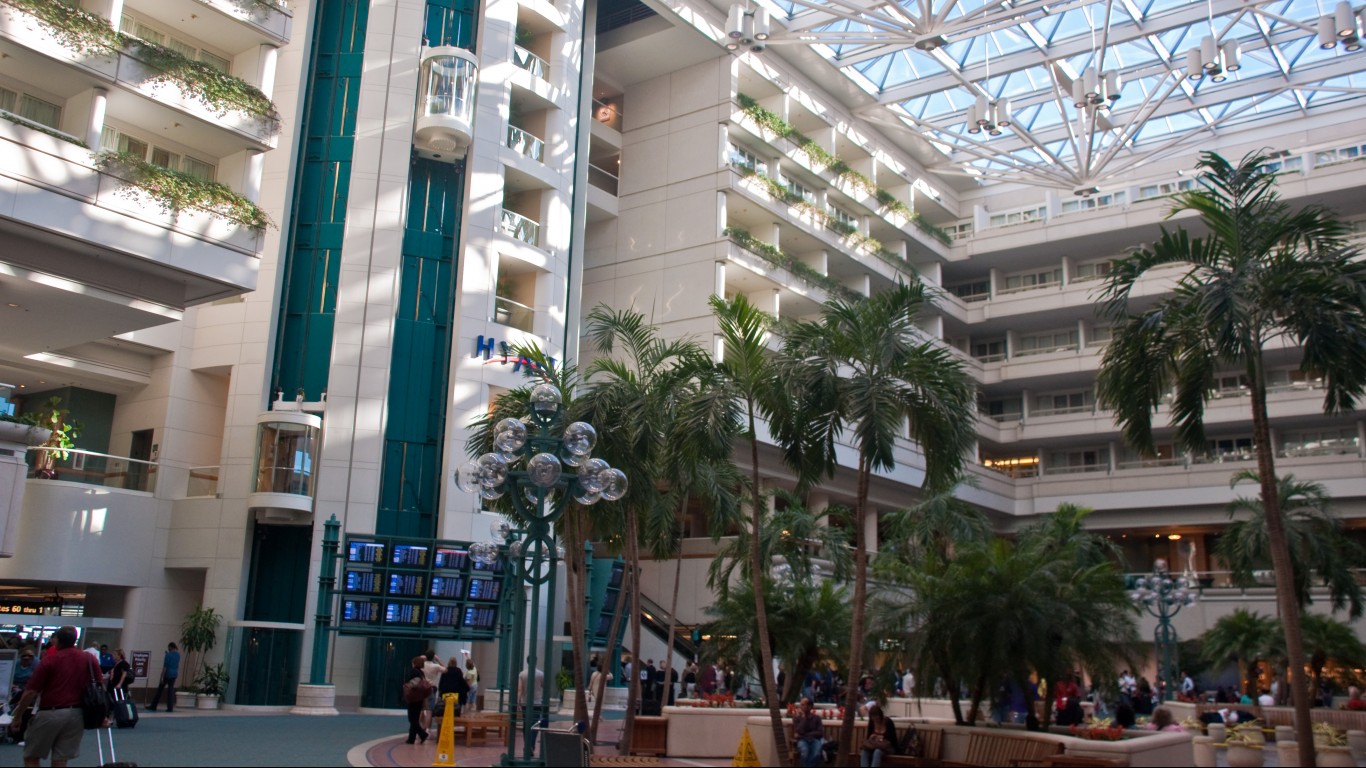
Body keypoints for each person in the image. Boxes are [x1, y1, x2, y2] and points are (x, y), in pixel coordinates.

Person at [8, 626, 105, 767]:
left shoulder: (50, 660)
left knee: (31, 755)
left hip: (50, 712)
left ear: (57, 640)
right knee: (60, 758)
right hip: (77, 715)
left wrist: (18, 716)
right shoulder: (89, 659)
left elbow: (31, 692)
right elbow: (100, 685)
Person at [860, 702, 899, 767]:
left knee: (877, 752)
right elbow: (868, 738)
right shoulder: (872, 723)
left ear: (880, 716)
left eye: (876, 717)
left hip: (887, 748)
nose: (875, 720)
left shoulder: (888, 722)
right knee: (864, 752)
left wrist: (882, 738)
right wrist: (871, 737)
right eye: (873, 718)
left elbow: (893, 739)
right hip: (874, 746)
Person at [403, 655, 429, 745]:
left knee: (412, 719)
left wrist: (407, 686)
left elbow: (413, 683)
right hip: (419, 698)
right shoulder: (421, 673)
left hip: (413, 698)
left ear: (414, 663)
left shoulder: (414, 672)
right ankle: (411, 738)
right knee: (415, 719)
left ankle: (422, 734)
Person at [147, 641, 180, 712]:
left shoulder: (168, 655)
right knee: (170, 690)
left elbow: (165, 666)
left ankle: (153, 705)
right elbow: (176, 664)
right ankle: (170, 707)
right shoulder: (178, 655)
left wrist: (161, 676)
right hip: (174, 673)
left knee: (160, 690)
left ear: (170, 647)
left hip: (167, 674)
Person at [793, 697, 825, 768]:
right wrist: (804, 718)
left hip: (815, 740)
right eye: (801, 705)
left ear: (810, 706)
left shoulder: (817, 718)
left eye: (803, 705)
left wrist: (805, 734)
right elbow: (798, 731)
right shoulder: (797, 718)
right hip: (802, 740)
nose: (801, 707)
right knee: (804, 752)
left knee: (817, 753)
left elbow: (820, 733)